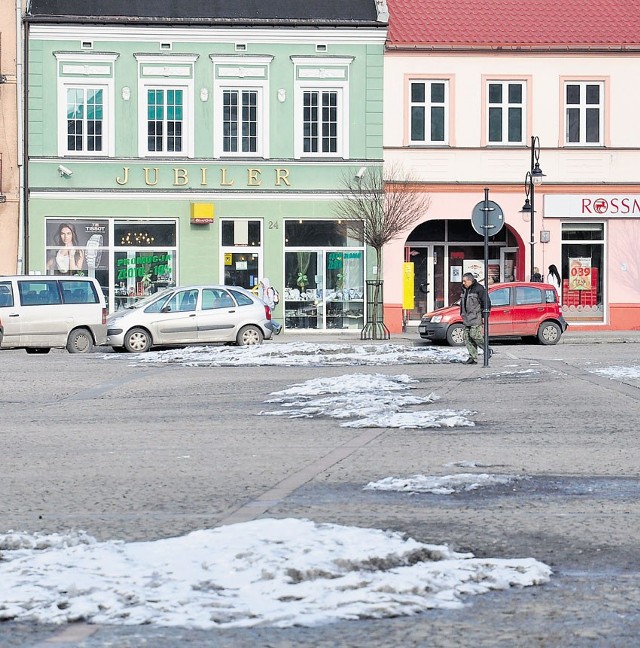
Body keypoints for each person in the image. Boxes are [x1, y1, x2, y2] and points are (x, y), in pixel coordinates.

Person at [460, 272, 491, 365]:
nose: (463, 283)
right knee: (467, 337)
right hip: (466, 317)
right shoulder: (464, 289)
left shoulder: (479, 289)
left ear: (470, 280)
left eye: (465, 281)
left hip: (475, 317)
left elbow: (486, 302)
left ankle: (487, 349)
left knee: (475, 335)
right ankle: (473, 357)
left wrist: (484, 315)